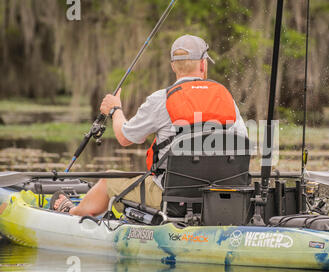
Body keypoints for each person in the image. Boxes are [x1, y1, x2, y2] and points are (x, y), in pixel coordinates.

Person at [51, 34, 248, 217]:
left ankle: (72, 213)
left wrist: (115, 110)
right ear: (203, 65)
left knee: (108, 180)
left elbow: (124, 137)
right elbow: (241, 143)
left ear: (173, 66)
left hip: (172, 199)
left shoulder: (160, 99)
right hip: (224, 199)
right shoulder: (227, 99)